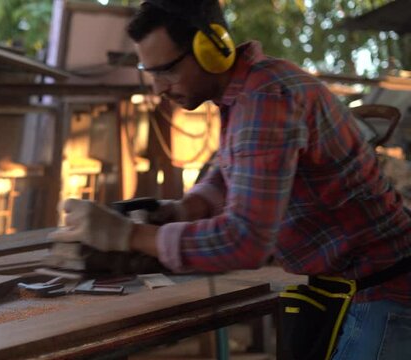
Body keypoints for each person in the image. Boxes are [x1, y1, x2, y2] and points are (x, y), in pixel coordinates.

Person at [48, 1, 411, 359]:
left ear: (213, 49)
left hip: (385, 290)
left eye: (167, 70)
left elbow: (246, 240)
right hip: (351, 281)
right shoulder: (245, 93)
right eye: (150, 71)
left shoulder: (267, 100)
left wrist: (130, 235)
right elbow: (229, 172)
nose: (158, 87)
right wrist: (185, 208)